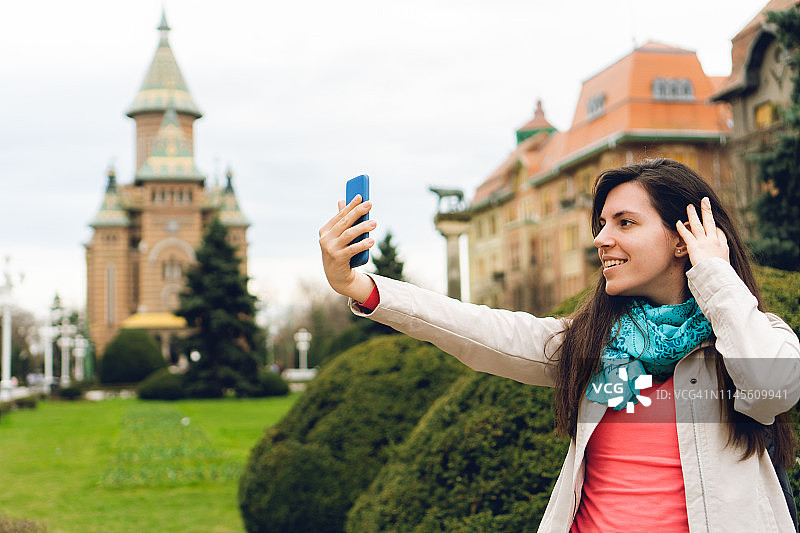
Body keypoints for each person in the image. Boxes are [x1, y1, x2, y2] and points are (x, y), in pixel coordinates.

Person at [318, 159, 800, 532]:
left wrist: (714, 273)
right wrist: (362, 286)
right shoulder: (592, 345)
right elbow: (479, 329)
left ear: (684, 240)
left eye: (625, 223)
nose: (600, 238)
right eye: (602, 223)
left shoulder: (749, 334)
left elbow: (772, 388)